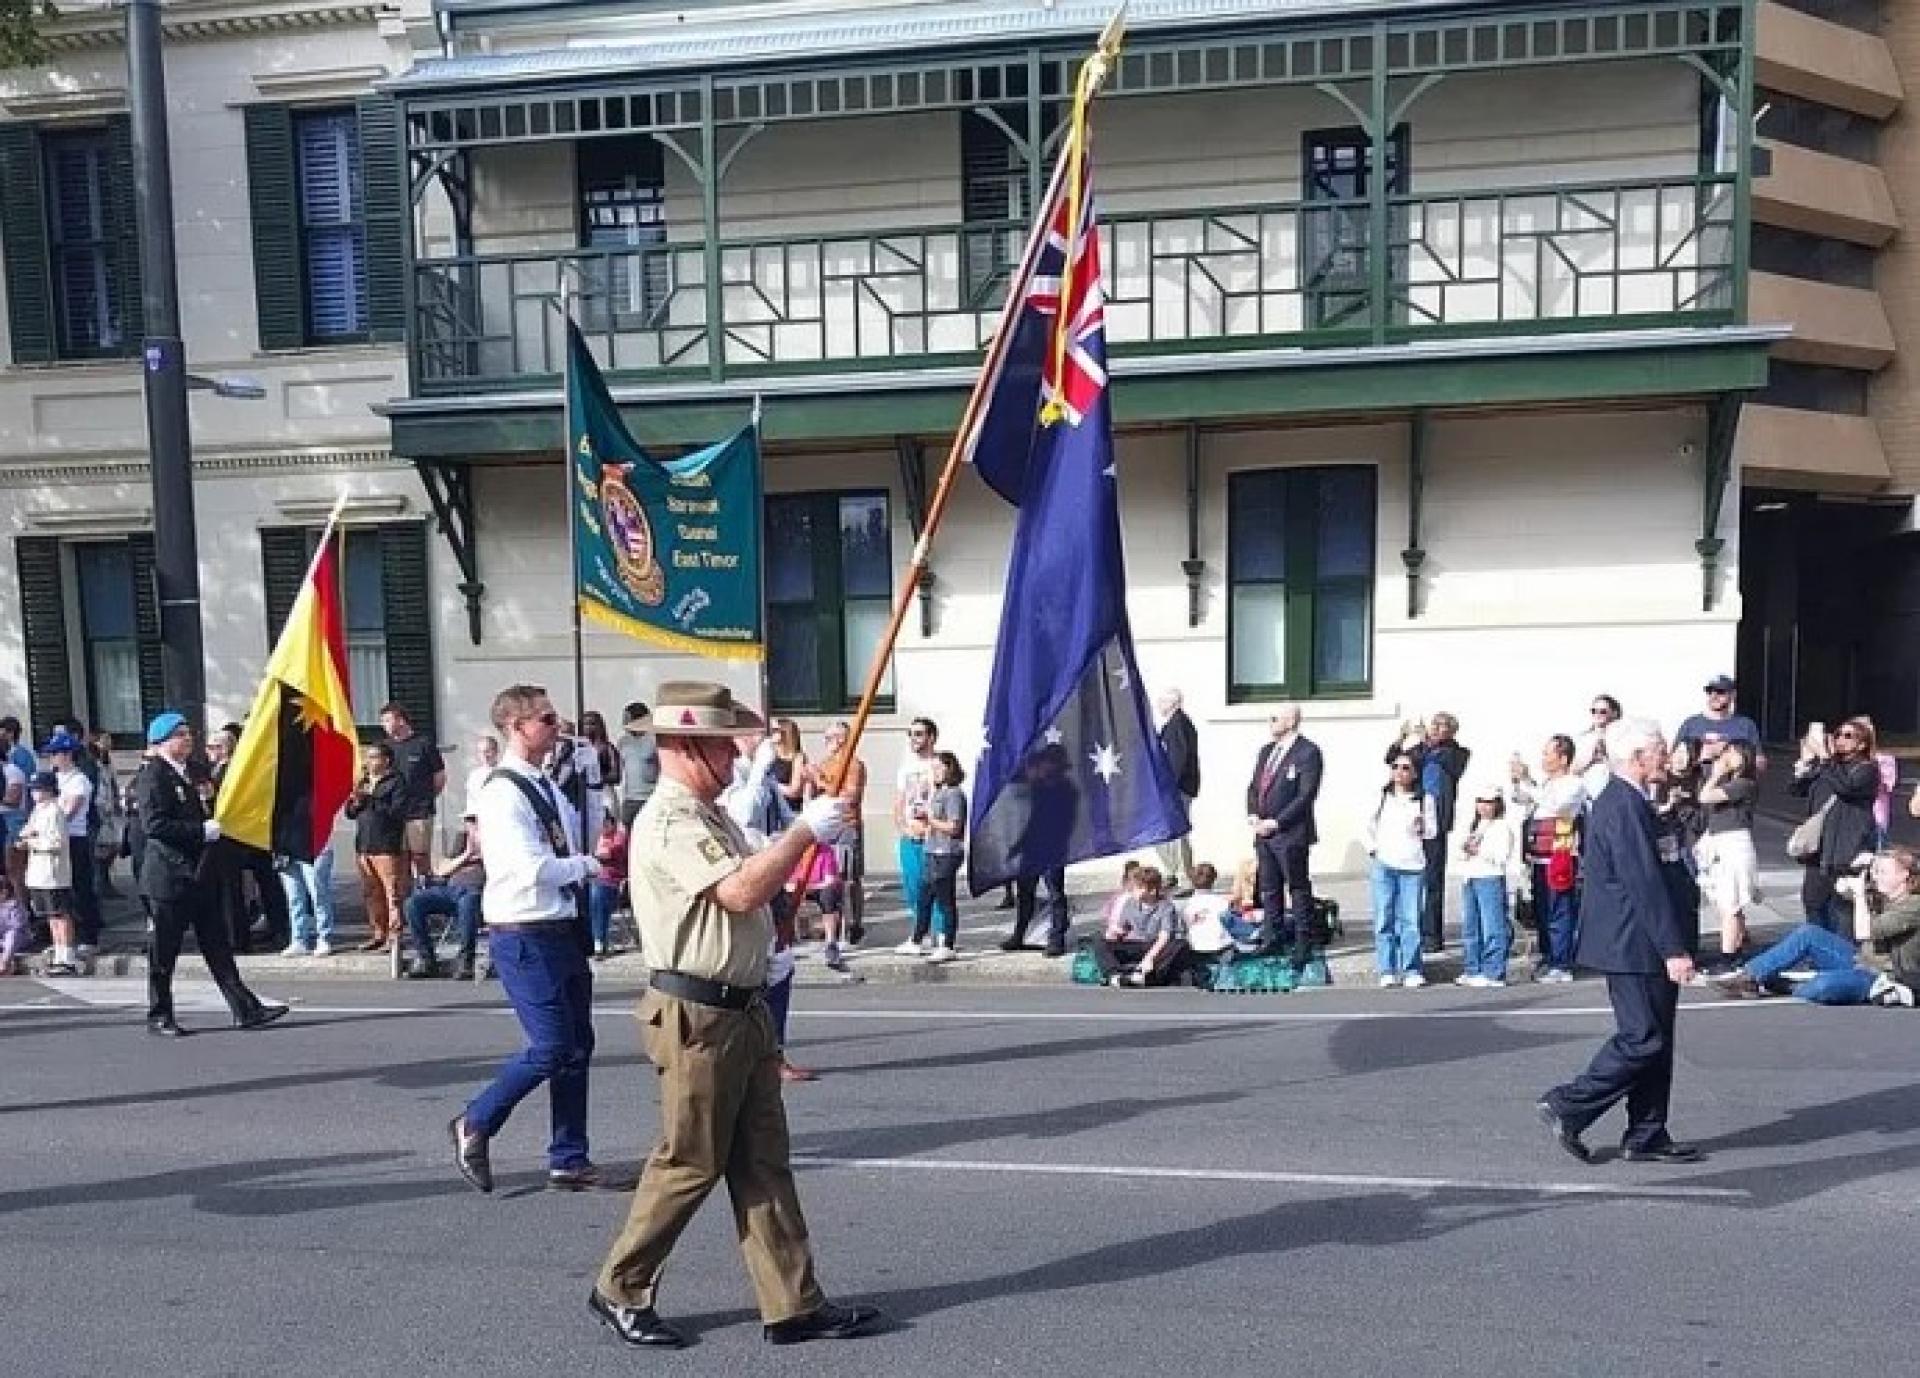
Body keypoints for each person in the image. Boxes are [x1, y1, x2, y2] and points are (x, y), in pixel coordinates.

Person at [590, 680, 879, 1350]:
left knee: (763, 1161)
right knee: (689, 1162)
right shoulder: (671, 819)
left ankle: (793, 1302)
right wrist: (809, 830)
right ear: (690, 746)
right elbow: (740, 888)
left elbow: (757, 886)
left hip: (740, 1009)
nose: (735, 755)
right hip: (698, 1014)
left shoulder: (708, 811)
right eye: (724, 744)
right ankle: (619, 1286)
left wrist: (797, 850)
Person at [450, 684, 603, 1195]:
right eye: (546, 718)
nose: (557, 725)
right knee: (551, 1045)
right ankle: (476, 1120)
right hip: (524, 929)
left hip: (560, 926)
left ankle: (569, 1157)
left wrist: (593, 779)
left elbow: (583, 828)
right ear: (517, 726)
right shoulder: (501, 792)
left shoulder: (546, 784)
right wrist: (585, 866)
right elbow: (530, 866)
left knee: (578, 1045)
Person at [1537, 718, 1700, 1166]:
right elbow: (1642, 880)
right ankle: (1569, 1104)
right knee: (1642, 1038)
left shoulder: (1634, 801)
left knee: (1658, 1039)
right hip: (1634, 940)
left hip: (1639, 938)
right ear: (1637, 757)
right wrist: (1673, 948)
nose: (1667, 755)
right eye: (1660, 749)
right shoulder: (1622, 803)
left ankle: (1647, 1132)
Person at [132, 713, 287, 1036]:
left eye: (188, 733)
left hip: (199, 876)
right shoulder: (153, 776)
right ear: (161, 742)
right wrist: (200, 831)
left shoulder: (191, 773)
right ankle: (159, 1015)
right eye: (179, 735)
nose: (187, 739)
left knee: (218, 947)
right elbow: (155, 826)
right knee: (164, 953)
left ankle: (246, 1009)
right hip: (169, 878)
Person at [1715, 847, 1920, 1006]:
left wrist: (1858, 895)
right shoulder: (1881, 894)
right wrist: (1864, 868)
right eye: (1876, 872)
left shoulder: (1913, 905)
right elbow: (1844, 888)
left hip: (1885, 976)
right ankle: (1749, 976)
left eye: (1883, 872)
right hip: (1860, 960)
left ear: (1904, 875)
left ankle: (1783, 983)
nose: (1876, 877)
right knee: (1809, 933)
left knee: (1822, 987)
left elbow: (1864, 931)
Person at [1245, 704, 1323, 963]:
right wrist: (1254, 814)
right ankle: (1272, 936)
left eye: (1275, 718)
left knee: (1298, 887)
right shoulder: (1267, 751)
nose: (1270, 722)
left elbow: (1305, 795)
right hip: (1264, 832)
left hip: (1290, 833)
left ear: (1291, 722)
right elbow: (1254, 787)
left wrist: (1277, 822)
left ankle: (1304, 941)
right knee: (1269, 887)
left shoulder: (1308, 752)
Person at [1789, 716, 1880, 935]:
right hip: (1819, 849)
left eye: (1848, 736)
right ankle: (1820, 950)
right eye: (1837, 734)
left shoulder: (1867, 769)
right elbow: (1796, 789)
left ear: (1862, 744)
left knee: (1842, 909)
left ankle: (1844, 955)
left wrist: (1825, 758)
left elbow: (1846, 788)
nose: (1840, 739)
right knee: (1812, 901)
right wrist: (1806, 763)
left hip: (1846, 849)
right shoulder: (1828, 766)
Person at [1520, 735, 1587, 984]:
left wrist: (1529, 784)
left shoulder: (1573, 784)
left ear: (1563, 758)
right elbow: (1524, 800)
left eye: (1548, 754)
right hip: (1539, 857)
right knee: (1542, 911)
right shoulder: (1546, 784)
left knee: (1559, 911)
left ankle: (1562, 962)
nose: (1544, 758)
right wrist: (1520, 781)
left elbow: (1560, 807)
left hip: (1560, 856)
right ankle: (1549, 956)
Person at [1365, 753, 1434, 989]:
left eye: (1405, 768)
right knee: (1384, 917)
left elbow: (1432, 832)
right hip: (1385, 863)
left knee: (1411, 919)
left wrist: (1422, 826)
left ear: (1414, 773)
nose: (1399, 772)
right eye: (1395, 767)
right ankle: (1387, 968)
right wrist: (1374, 849)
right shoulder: (1382, 796)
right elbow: (1367, 824)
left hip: (1412, 865)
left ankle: (1412, 968)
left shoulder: (1424, 799)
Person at [1694, 742, 1760, 979]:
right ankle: (1738, 948)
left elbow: (1705, 796)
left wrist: (1717, 774)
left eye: (1733, 752)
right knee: (1724, 903)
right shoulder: (1729, 782)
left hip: (1734, 843)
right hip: (1718, 843)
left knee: (1730, 903)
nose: (1727, 757)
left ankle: (1729, 956)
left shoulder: (1744, 784)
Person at [345, 743, 413, 954]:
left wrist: (372, 801)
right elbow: (350, 813)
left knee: (391, 892)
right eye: (368, 757)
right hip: (364, 845)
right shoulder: (363, 782)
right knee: (370, 892)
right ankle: (377, 933)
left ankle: (395, 936)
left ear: (386, 760)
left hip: (386, 845)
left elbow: (397, 812)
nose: (370, 761)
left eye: (374, 757)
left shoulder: (397, 782)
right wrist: (355, 803)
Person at [892, 717, 951, 951]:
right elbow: (899, 802)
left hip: (933, 837)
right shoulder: (905, 768)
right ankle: (920, 934)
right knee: (913, 887)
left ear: (931, 737)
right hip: (909, 835)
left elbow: (946, 801)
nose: (914, 739)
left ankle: (942, 936)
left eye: (918, 734)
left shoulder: (939, 765)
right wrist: (903, 826)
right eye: (911, 734)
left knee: (936, 889)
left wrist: (931, 828)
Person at [1415, 713, 1470, 955]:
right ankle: (1413, 930)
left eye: (1443, 726)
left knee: (1433, 879)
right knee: (1414, 878)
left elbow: (1447, 761)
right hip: (1416, 818)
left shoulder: (1455, 752)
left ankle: (1432, 935)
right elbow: (1394, 759)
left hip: (1436, 820)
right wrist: (1405, 739)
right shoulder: (1421, 749)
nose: (1437, 729)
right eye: (1434, 725)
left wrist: (1426, 744)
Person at [405, 818, 486, 980]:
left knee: (468, 901)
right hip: (450, 890)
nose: (471, 826)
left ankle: (466, 961)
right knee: (414, 903)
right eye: (469, 822)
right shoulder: (462, 839)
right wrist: (467, 855)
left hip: (478, 893)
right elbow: (441, 870)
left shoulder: (498, 841)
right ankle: (427, 958)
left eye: (475, 822)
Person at [810, 720, 867, 941]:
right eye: (826, 738)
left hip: (847, 826)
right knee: (831, 879)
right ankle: (837, 928)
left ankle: (856, 922)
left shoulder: (854, 765)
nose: (827, 742)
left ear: (843, 739)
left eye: (831, 737)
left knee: (850, 878)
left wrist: (821, 781)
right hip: (828, 826)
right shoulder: (824, 763)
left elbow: (850, 797)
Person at [43, 731, 98, 958]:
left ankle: (88, 936)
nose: (52, 759)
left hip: (74, 838)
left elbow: (68, 812)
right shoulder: (53, 779)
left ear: (68, 755)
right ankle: (65, 939)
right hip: (54, 840)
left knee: (80, 887)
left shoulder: (79, 780)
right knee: (59, 890)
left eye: (55, 754)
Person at [907, 752, 966, 962]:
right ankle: (917, 939)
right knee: (924, 898)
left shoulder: (954, 794)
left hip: (946, 853)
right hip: (931, 850)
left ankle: (948, 944)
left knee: (945, 899)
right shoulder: (939, 793)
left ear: (949, 768)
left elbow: (953, 826)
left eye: (939, 768)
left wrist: (930, 819)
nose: (935, 773)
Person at [15, 773, 77, 975]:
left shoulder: (54, 811)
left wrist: (32, 841)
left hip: (53, 872)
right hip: (38, 872)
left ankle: (67, 957)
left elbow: (56, 842)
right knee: (50, 916)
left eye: (38, 789)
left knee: (60, 914)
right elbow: (25, 832)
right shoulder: (38, 811)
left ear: (49, 790)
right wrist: (26, 838)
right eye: (33, 789)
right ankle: (58, 954)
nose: (34, 793)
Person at [1090, 866, 1188, 987]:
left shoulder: (1166, 907)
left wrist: (1149, 958)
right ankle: (1115, 975)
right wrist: (1114, 932)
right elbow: (1122, 927)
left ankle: (1146, 977)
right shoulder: (1130, 903)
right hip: (1133, 944)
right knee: (1098, 938)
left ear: (1152, 891)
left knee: (1180, 945)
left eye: (1139, 888)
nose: (1134, 891)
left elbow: (1164, 937)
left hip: (1153, 945)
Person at [381, 703, 446, 882]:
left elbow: (439, 776)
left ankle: (425, 890)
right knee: (399, 857)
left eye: (387, 720)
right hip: (394, 813)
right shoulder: (385, 747)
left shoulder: (423, 743)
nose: (383, 725)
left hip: (419, 811)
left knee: (420, 856)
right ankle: (405, 898)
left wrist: (426, 798)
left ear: (400, 720)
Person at [1459, 784, 1515, 987]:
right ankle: (1472, 968)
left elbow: (1501, 856)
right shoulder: (1474, 825)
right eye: (1480, 801)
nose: (1483, 806)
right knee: (1471, 927)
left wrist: (1479, 851)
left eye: (1489, 802)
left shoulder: (1501, 827)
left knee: (1493, 926)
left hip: (1490, 878)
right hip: (1471, 877)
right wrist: (1465, 850)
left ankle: (1494, 970)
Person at [1154, 688, 1201, 892]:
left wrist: (1169, 786)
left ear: (1172, 703)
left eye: (1161, 701)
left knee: (1178, 832)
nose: (1158, 706)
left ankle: (1184, 877)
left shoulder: (1179, 725)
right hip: (1174, 788)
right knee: (1167, 832)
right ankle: (1171, 872)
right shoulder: (1173, 725)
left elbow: (1178, 759)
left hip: (1177, 788)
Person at [1674, 676, 1762, 760]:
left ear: (1733, 695)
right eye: (1709, 691)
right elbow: (1673, 759)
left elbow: (1759, 762)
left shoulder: (1746, 725)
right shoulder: (1690, 724)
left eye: (1720, 691)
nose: (1714, 696)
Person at [278, 846, 339, 958]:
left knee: (318, 895)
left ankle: (324, 937)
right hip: (286, 848)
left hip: (315, 846)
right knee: (294, 898)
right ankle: (298, 939)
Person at [87, 732, 123, 897]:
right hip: (100, 809)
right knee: (101, 848)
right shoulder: (92, 763)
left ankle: (105, 880)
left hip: (111, 809)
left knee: (113, 846)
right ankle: (101, 882)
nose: (107, 744)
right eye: (103, 741)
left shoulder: (108, 762)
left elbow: (112, 783)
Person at [588, 812, 628, 959]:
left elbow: (609, 854)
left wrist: (590, 857)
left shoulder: (619, 837)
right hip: (594, 880)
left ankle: (598, 942)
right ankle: (595, 940)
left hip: (612, 884)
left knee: (597, 895)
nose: (603, 827)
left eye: (606, 823)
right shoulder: (596, 837)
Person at [0, 717, 29, 897]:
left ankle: (22, 913)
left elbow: (14, 800)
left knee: (14, 872)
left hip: (12, 822)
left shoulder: (12, 771)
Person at [618, 703, 660, 829]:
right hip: (630, 799)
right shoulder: (623, 742)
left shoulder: (655, 739)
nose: (624, 722)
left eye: (628, 718)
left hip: (649, 798)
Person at [1573, 694, 1621, 795]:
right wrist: (1591, 759)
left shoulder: (1623, 739)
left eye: (1603, 712)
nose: (1597, 715)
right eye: (1594, 711)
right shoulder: (1582, 739)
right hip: (1586, 794)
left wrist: (1606, 757)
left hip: (1613, 793)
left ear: (1614, 713)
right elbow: (1572, 770)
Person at [769, 718, 810, 812]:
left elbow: (794, 791)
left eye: (775, 730)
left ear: (786, 733)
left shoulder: (798, 758)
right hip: (770, 810)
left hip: (789, 811)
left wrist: (771, 784)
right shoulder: (770, 755)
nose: (770, 733)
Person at [462, 734, 501, 819]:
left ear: (497, 751)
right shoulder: (474, 776)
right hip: (481, 823)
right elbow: (471, 804)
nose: (484, 756)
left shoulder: (506, 773)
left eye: (488, 751)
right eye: (480, 752)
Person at [0, 876, 26, 975]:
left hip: (18, 937)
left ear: (5, 892)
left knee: (12, 935)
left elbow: (17, 926)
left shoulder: (15, 905)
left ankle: (5, 962)